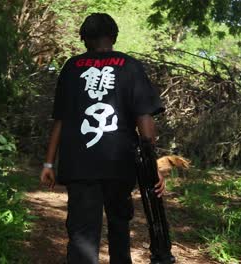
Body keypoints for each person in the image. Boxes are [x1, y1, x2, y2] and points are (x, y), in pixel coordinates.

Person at [39, 13, 166, 264]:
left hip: (80, 166)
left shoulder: (71, 68)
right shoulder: (130, 66)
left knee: (82, 234)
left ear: (84, 39)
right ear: (114, 37)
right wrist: (153, 166)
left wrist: (48, 163)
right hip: (120, 165)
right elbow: (145, 122)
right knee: (119, 225)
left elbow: (61, 120)